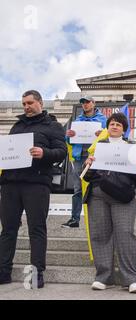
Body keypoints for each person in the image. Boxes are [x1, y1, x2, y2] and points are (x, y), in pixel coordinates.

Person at [0, 90, 67, 288]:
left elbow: (61, 152)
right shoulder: (17, 126)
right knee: (8, 230)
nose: (26, 106)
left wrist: (43, 152)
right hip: (11, 183)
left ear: (40, 102)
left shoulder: (53, 126)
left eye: (29, 102)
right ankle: (4, 272)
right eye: (23, 104)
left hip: (37, 184)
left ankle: (37, 273)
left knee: (36, 229)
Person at [83, 113, 136, 293]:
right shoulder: (98, 147)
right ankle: (104, 277)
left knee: (125, 233)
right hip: (98, 194)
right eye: (111, 124)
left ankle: (132, 278)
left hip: (122, 195)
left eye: (118, 124)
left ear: (124, 129)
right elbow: (87, 176)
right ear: (107, 127)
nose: (114, 126)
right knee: (100, 235)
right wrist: (88, 164)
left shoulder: (133, 147)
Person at [61, 95, 107, 228]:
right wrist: (68, 136)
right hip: (79, 157)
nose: (85, 104)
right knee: (77, 188)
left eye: (87, 102)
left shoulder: (102, 120)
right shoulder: (77, 120)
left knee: (97, 188)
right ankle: (74, 219)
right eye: (83, 103)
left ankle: (97, 221)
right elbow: (70, 141)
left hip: (95, 157)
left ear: (93, 103)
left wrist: (103, 133)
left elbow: (108, 136)